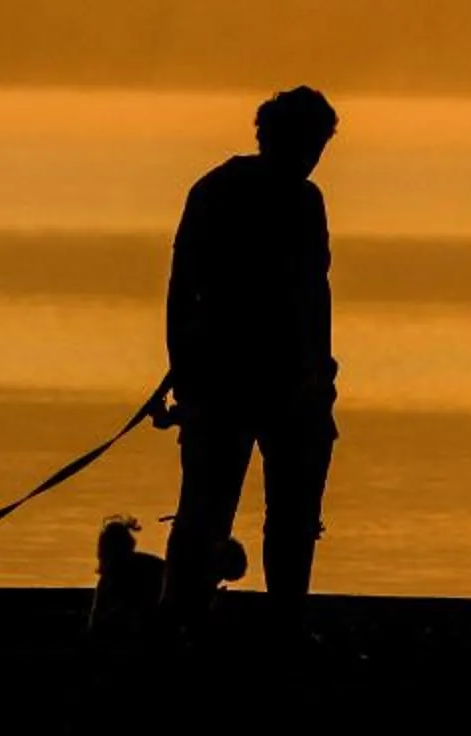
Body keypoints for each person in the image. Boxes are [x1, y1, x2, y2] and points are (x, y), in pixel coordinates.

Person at [158, 85, 340, 636]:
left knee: (239, 513)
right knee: (250, 513)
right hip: (245, 382)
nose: (312, 157)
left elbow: (181, 290)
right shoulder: (281, 199)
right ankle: (250, 620)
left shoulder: (226, 191)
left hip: (253, 381)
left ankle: (204, 621)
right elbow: (312, 295)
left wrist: (322, 375)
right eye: (310, 144)